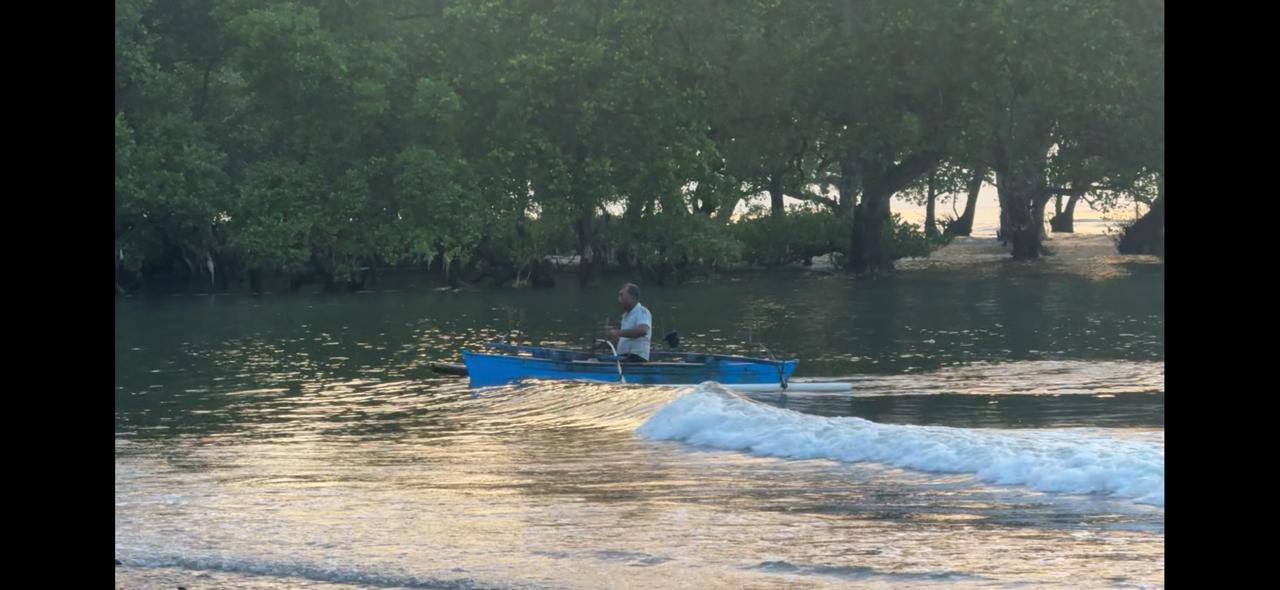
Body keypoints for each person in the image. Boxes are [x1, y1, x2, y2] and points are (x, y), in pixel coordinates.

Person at [607, 282, 651, 362]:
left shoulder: (642, 311)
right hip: (624, 357)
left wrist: (618, 332)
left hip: (636, 357)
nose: (619, 298)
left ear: (632, 297)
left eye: (622, 295)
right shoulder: (626, 316)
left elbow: (643, 331)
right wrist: (611, 341)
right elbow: (625, 338)